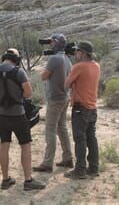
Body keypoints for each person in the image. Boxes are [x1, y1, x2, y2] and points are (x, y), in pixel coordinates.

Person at [0, 48, 46, 191]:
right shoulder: (19, 72)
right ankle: (28, 181)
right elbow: (28, 92)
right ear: (16, 59)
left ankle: (5, 180)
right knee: (25, 145)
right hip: (18, 115)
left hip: (1, 116)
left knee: (4, 144)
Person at [33, 33, 73, 173]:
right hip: (65, 97)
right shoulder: (67, 59)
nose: (50, 44)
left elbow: (44, 76)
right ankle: (68, 158)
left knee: (50, 129)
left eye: (52, 42)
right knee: (62, 128)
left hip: (55, 99)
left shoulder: (54, 59)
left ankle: (47, 163)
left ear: (56, 43)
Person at [64, 41, 100, 179]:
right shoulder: (96, 66)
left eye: (78, 51)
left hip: (80, 107)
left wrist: (73, 83)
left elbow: (65, 85)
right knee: (91, 137)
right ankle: (94, 168)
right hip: (92, 106)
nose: (75, 53)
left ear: (83, 52)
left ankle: (80, 170)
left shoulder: (78, 67)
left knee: (80, 139)